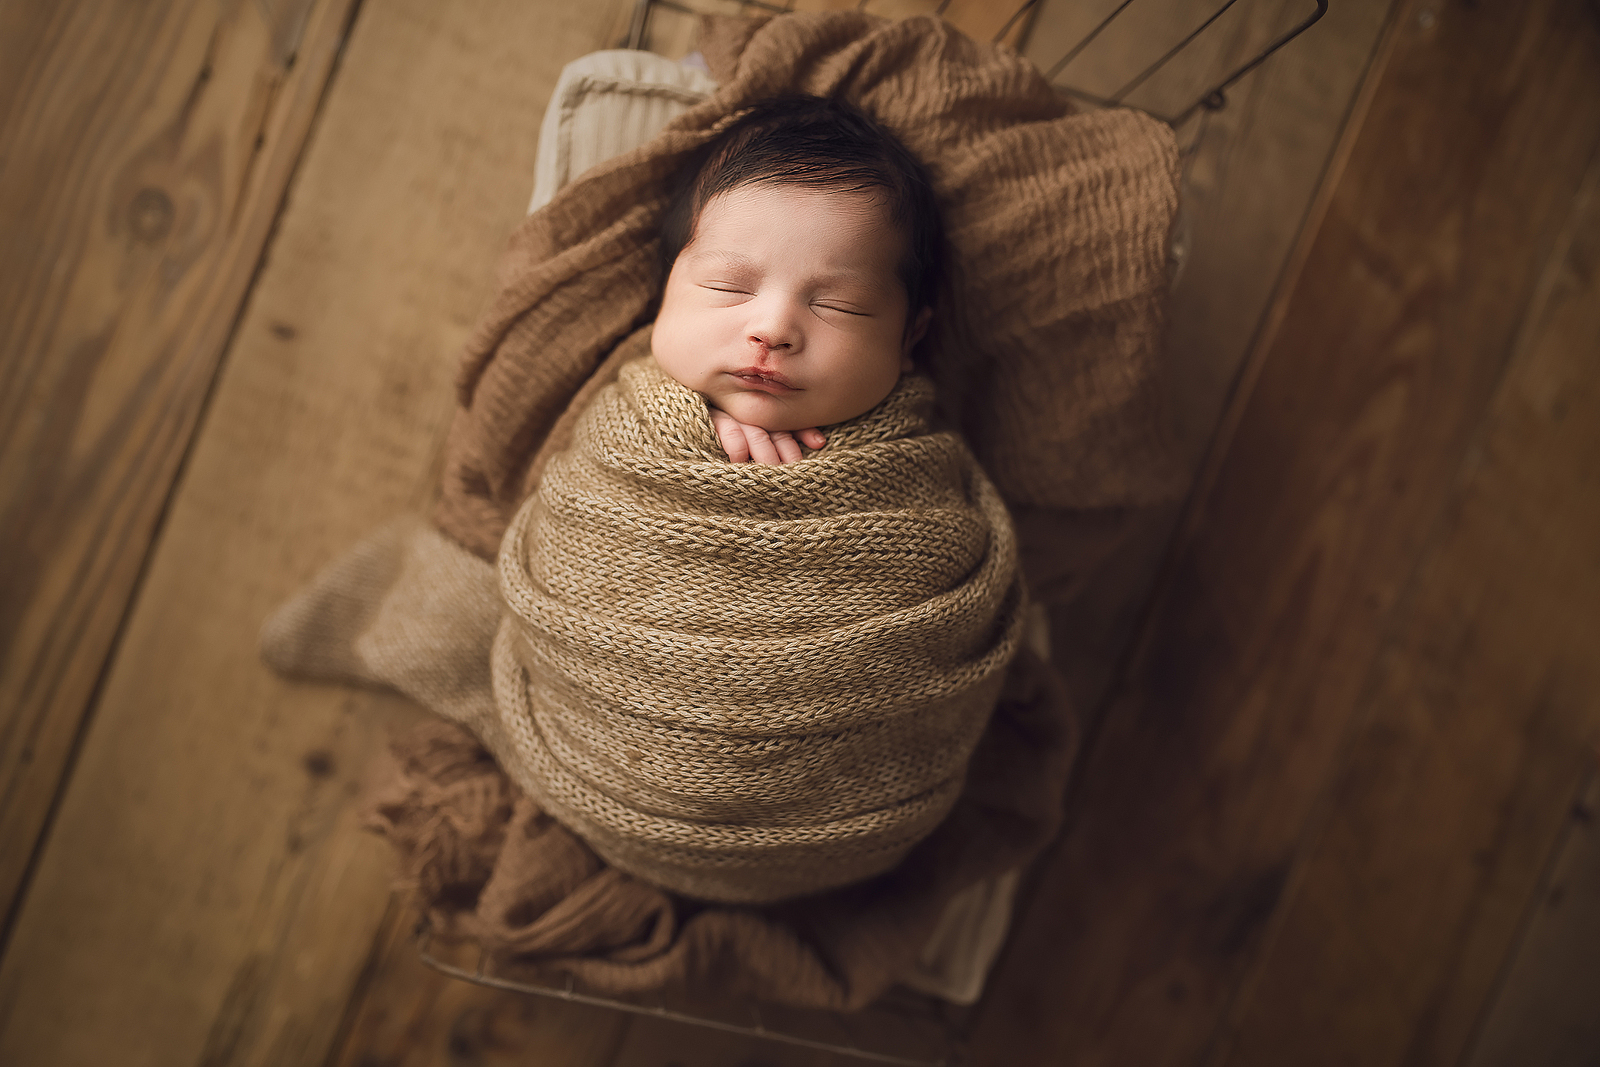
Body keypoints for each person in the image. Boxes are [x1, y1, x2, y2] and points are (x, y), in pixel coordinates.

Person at [649, 95, 943, 464]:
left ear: (910, 337)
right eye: (728, 286)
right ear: (664, 293)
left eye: (838, 306)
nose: (773, 330)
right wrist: (688, 425)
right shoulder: (627, 415)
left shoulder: (917, 459)